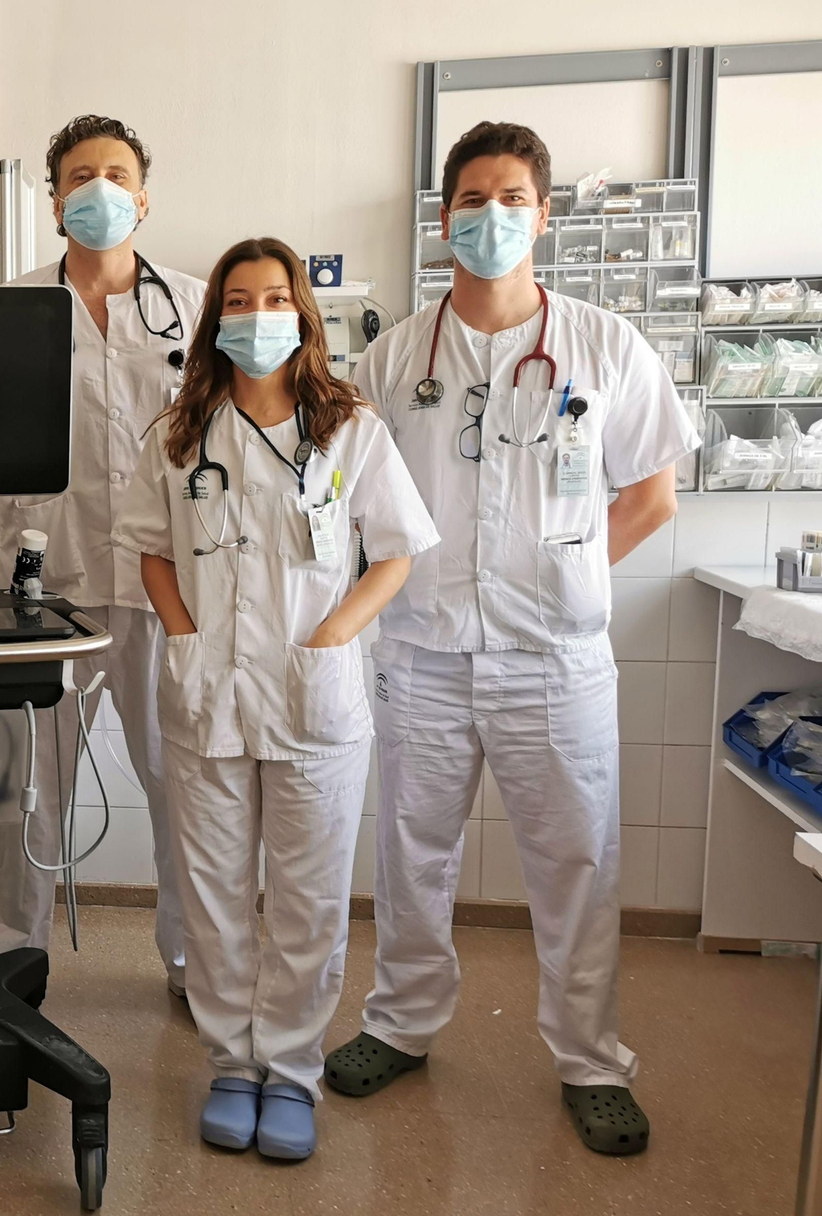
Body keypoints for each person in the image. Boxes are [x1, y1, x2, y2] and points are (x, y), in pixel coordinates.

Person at [327, 122, 698, 1155]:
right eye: (471, 199)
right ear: (443, 216)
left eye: (512, 198)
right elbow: (355, 503)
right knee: (411, 854)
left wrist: (566, 577)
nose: (490, 216)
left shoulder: (604, 344)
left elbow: (653, 494)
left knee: (577, 864)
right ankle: (400, 1024)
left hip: (556, 660)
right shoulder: (395, 357)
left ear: (542, 216)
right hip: (422, 653)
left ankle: (591, 1061)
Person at [115, 238, 439, 1157]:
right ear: (215, 318)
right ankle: (232, 1063)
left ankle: (292, 1072)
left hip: (312, 694)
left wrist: (334, 636)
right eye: (238, 301)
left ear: (302, 313)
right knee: (215, 896)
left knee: (307, 899)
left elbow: (397, 553)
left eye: (273, 299)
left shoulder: (350, 427)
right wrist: (182, 632)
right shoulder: (179, 431)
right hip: (207, 691)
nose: (256, 317)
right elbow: (150, 548)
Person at [0, 115, 205, 996]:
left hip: (168, 589)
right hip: (48, 587)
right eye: (81, 176)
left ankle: (194, 965)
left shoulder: (196, 307)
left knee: (186, 788)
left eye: (118, 175)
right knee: (24, 793)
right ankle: (12, 963)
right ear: (54, 202)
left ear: (143, 200)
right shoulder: (10, 310)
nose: (100, 190)